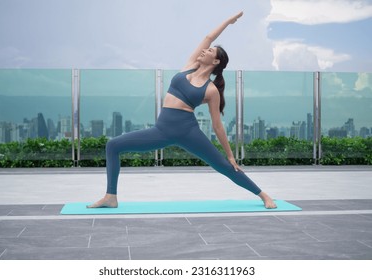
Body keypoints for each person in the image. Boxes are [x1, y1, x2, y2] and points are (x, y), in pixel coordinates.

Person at [88, 11, 277, 209]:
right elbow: (208, 37)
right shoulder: (189, 66)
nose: (205, 50)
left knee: (223, 165)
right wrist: (228, 22)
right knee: (113, 145)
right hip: (161, 131)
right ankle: (111, 197)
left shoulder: (211, 90)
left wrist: (230, 155)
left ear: (215, 62)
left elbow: (217, 126)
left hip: (188, 131)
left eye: (210, 51)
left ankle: (263, 195)